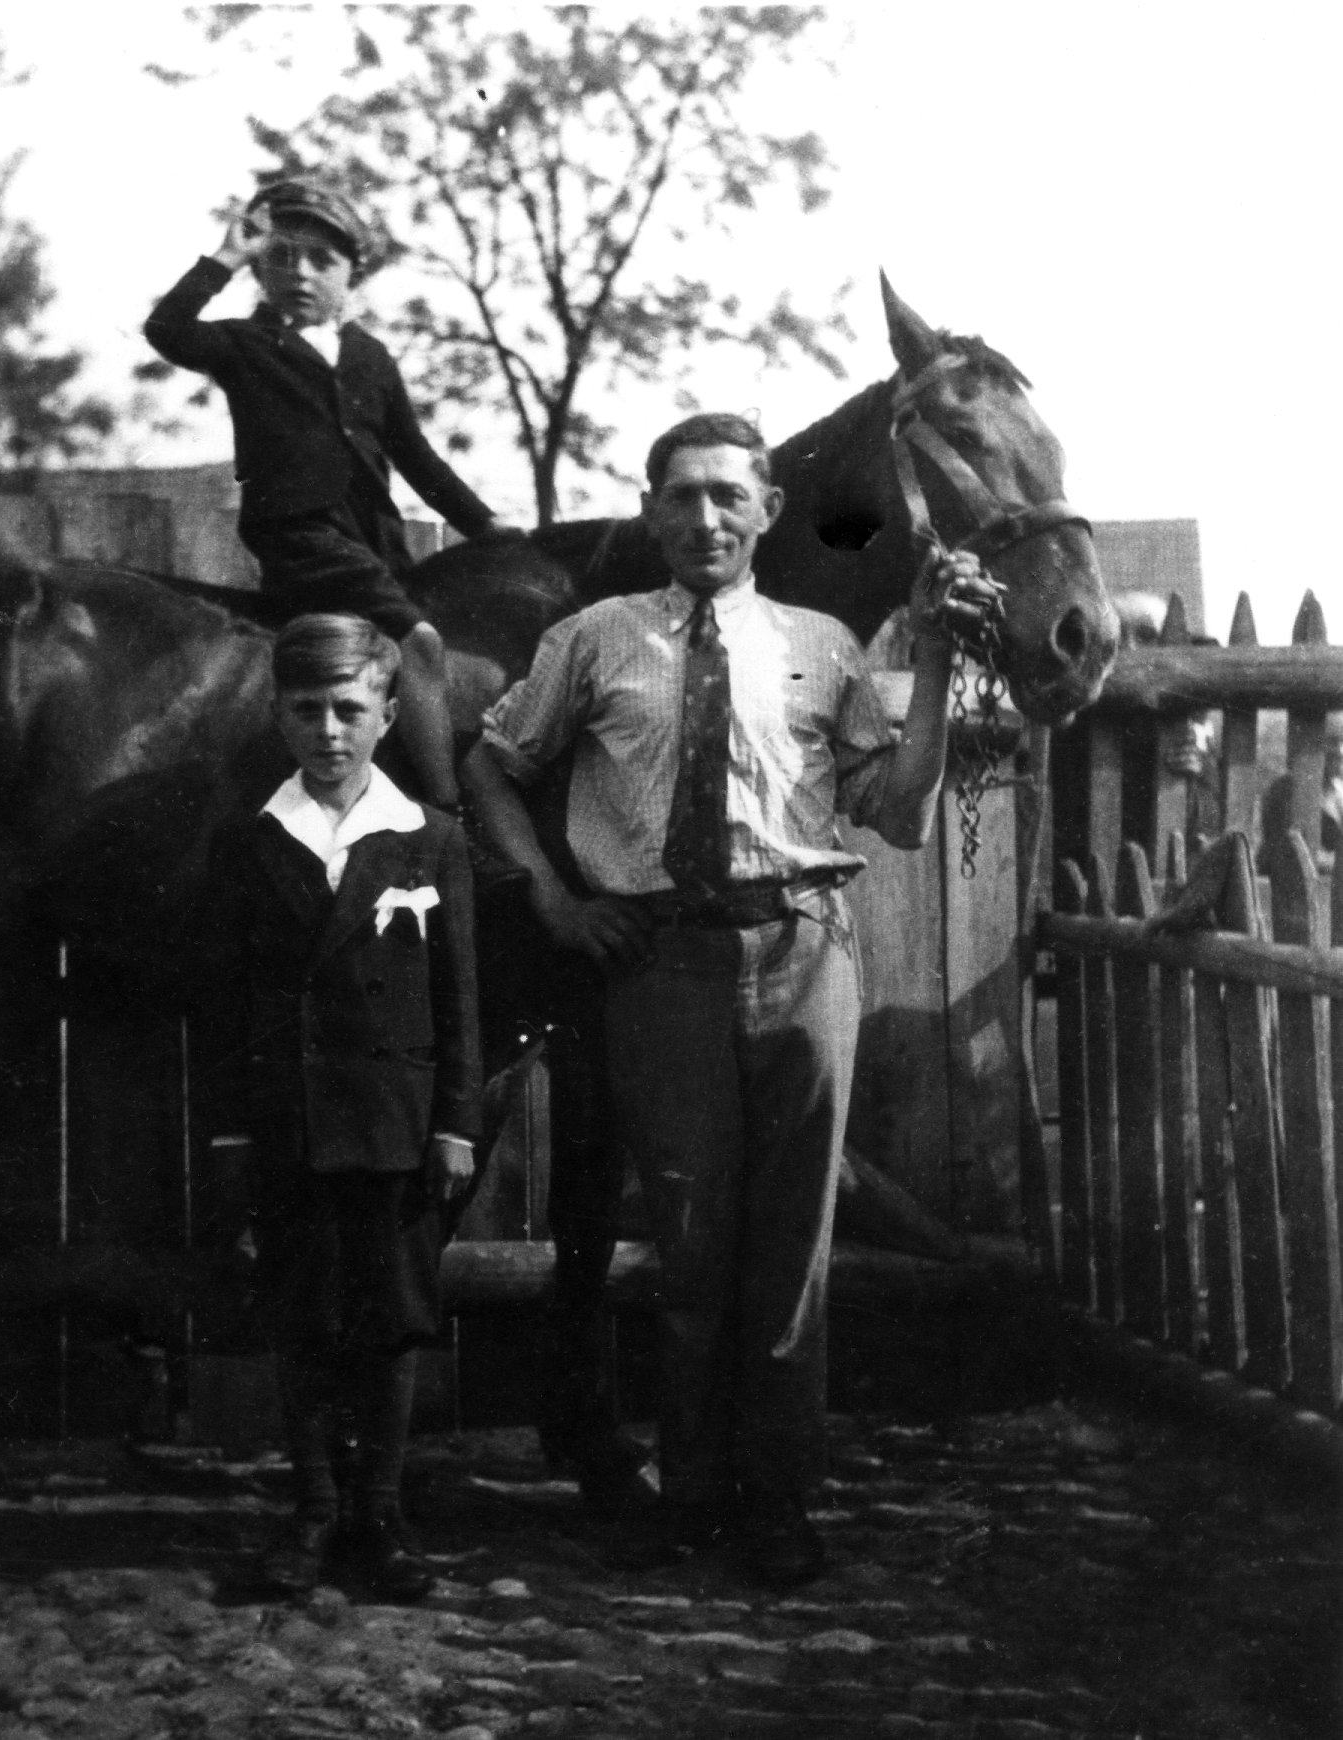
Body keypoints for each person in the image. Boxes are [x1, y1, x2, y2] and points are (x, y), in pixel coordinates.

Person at [461, 412, 1000, 1585]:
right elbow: (489, 766)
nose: (704, 518)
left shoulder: (823, 645)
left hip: (804, 953)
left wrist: (946, 668)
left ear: (764, 513)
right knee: (694, 1247)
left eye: (726, 497)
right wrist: (552, 899)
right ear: (652, 513)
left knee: (792, 1245)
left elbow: (900, 811)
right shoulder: (595, 639)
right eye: (681, 497)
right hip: (663, 967)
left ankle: (780, 1502)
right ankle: (692, 1494)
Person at [205, 613, 482, 1601]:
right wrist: (236, 1130)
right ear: (279, 717)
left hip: (397, 1125)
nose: (329, 731)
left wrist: (455, 1123)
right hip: (294, 1123)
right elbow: (226, 1002)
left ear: (389, 714)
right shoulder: (250, 843)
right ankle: (315, 1513)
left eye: (349, 710)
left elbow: (458, 999)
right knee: (305, 1315)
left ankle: (383, 1516)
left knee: (394, 1318)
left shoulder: (428, 839)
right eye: (307, 710)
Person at [144, 178, 507, 809]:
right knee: (419, 642)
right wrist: (225, 258)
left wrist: (487, 528)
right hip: (300, 536)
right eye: (280, 258)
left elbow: (417, 459)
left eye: (322, 261)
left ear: (352, 274)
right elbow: (167, 329)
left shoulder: (370, 356)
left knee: (410, 655)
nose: (300, 274)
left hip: (373, 541)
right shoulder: (246, 344)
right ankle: (452, 809)